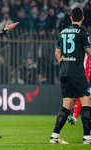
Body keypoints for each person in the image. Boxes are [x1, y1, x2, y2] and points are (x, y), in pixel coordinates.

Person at [50, 7, 91, 144]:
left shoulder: (63, 32)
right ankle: (87, 138)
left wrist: (64, 63)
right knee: (86, 103)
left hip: (64, 72)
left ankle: (55, 136)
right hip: (77, 73)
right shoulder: (83, 33)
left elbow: (57, 53)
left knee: (67, 105)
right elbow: (89, 51)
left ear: (71, 17)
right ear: (83, 18)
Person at [68, 52, 91, 125]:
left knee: (83, 96)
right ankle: (75, 118)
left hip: (86, 73)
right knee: (82, 95)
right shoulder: (86, 45)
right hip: (85, 74)